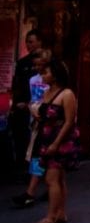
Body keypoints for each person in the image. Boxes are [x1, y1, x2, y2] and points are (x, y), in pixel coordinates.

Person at [30, 60, 78, 223]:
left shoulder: (67, 94)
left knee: (51, 179)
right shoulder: (47, 92)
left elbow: (69, 121)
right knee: (59, 178)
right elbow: (45, 115)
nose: (42, 76)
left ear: (55, 75)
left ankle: (51, 217)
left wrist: (56, 142)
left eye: (46, 73)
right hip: (47, 137)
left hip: (60, 140)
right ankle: (60, 212)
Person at [12, 49, 50, 209]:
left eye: (40, 65)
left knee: (41, 155)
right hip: (35, 120)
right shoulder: (33, 79)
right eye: (35, 65)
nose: (38, 68)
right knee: (41, 155)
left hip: (48, 121)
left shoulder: (54, 82)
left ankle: (32, 192)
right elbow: (33, 98)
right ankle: (47, 188)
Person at [10, 28, 43, 182]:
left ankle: (37, 173)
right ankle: (28, 169)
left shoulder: (48, 66)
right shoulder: (23, 63)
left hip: (39, 107)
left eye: (31, 42)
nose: (29, 45)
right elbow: (17, 85)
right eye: (27, 42)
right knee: (25, 138)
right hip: (25, 107)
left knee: (37, 140)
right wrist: (17, 103)